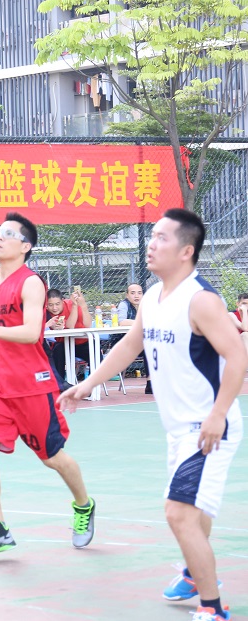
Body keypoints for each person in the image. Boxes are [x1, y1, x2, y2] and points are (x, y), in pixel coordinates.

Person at [60, 209, 245, 621]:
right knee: (193, 513)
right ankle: (196, 575)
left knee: (177, 512)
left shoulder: (202, 301)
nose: (151, 243)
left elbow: (238, 357)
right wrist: (89, 383)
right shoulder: (155, 296)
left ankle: (213, 608)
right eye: (153, 236)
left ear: (186, 251)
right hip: (178, 429)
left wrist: (217, 415)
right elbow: (129, 345)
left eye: (161, 237)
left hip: (207, 428)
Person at [0, 213, 95, 558]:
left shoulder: (31, 282)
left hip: (34, 385)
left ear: (26, 246)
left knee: (53, 458)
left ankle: (84, 505)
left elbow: (32, 331)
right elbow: (0, 322)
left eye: (8, 234)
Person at [46, 286, 92, 391]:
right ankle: (60, 387)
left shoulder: (71, 303)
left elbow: (88, 324)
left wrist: (82, 305)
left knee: (95, 351)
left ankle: (91, 387)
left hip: (82, 342)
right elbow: (70, 326)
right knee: (57, 351)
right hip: (63, 344)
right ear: (46, 305)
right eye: (50, 305)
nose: (54, 308)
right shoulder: (48, 313)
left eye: (57, 304)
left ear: (62, 301)